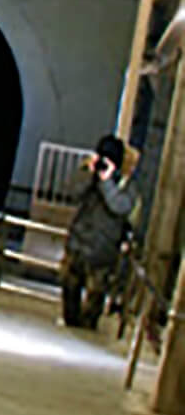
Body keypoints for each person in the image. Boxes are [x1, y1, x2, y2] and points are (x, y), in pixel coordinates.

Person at [61, 135, 134, 330]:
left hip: (103, 249)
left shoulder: (125, 185)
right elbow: (72, 192)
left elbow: (119, 206)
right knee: (69, 285)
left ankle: (87, 326)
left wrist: (107, 181)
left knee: (96, 292)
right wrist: (88, 173)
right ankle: (71, 321)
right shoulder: (89, 175)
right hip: (79, 241)